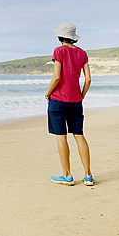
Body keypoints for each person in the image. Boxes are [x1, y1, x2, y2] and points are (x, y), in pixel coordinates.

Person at [44, 22, 94, 186]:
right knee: (79, 135)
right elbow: (88, 79)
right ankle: (88, 175)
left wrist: (47, 93)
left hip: (58, 101)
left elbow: (56, 77)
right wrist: (81, 96)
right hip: (76, 101)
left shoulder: (59, 51)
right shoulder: (82, 53)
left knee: (61, 137)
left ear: (60, 36)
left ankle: (67, 175)